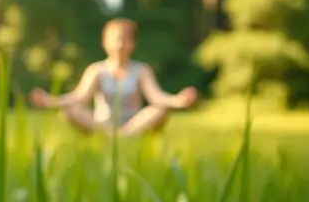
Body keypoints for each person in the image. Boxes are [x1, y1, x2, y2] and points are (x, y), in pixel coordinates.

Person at [29, 18, 198, 136]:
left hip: (133, 125)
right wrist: (51, 101)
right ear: (105, 42)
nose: (120, 45)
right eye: (116, 39)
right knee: (70, 111)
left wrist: (178, 100)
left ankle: (123, 138)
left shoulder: (141, 70)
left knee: (160, 111)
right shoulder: (97, 70)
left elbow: (156, 97)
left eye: (125, 40)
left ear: (133, 43)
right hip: (102, 125)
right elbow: (79, 97)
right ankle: (111, 137)